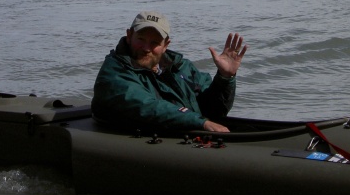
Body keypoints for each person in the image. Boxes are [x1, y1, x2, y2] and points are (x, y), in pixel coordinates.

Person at [92, 11, 247, 133]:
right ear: (129, 36)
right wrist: (201, 122)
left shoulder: (181, 67)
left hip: (188, 136)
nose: (146, 48)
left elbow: (214, 112)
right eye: (141, 39)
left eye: (154, 43)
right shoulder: (113, 72)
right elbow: (148, 107)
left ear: (166, 45)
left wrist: (225, 78)